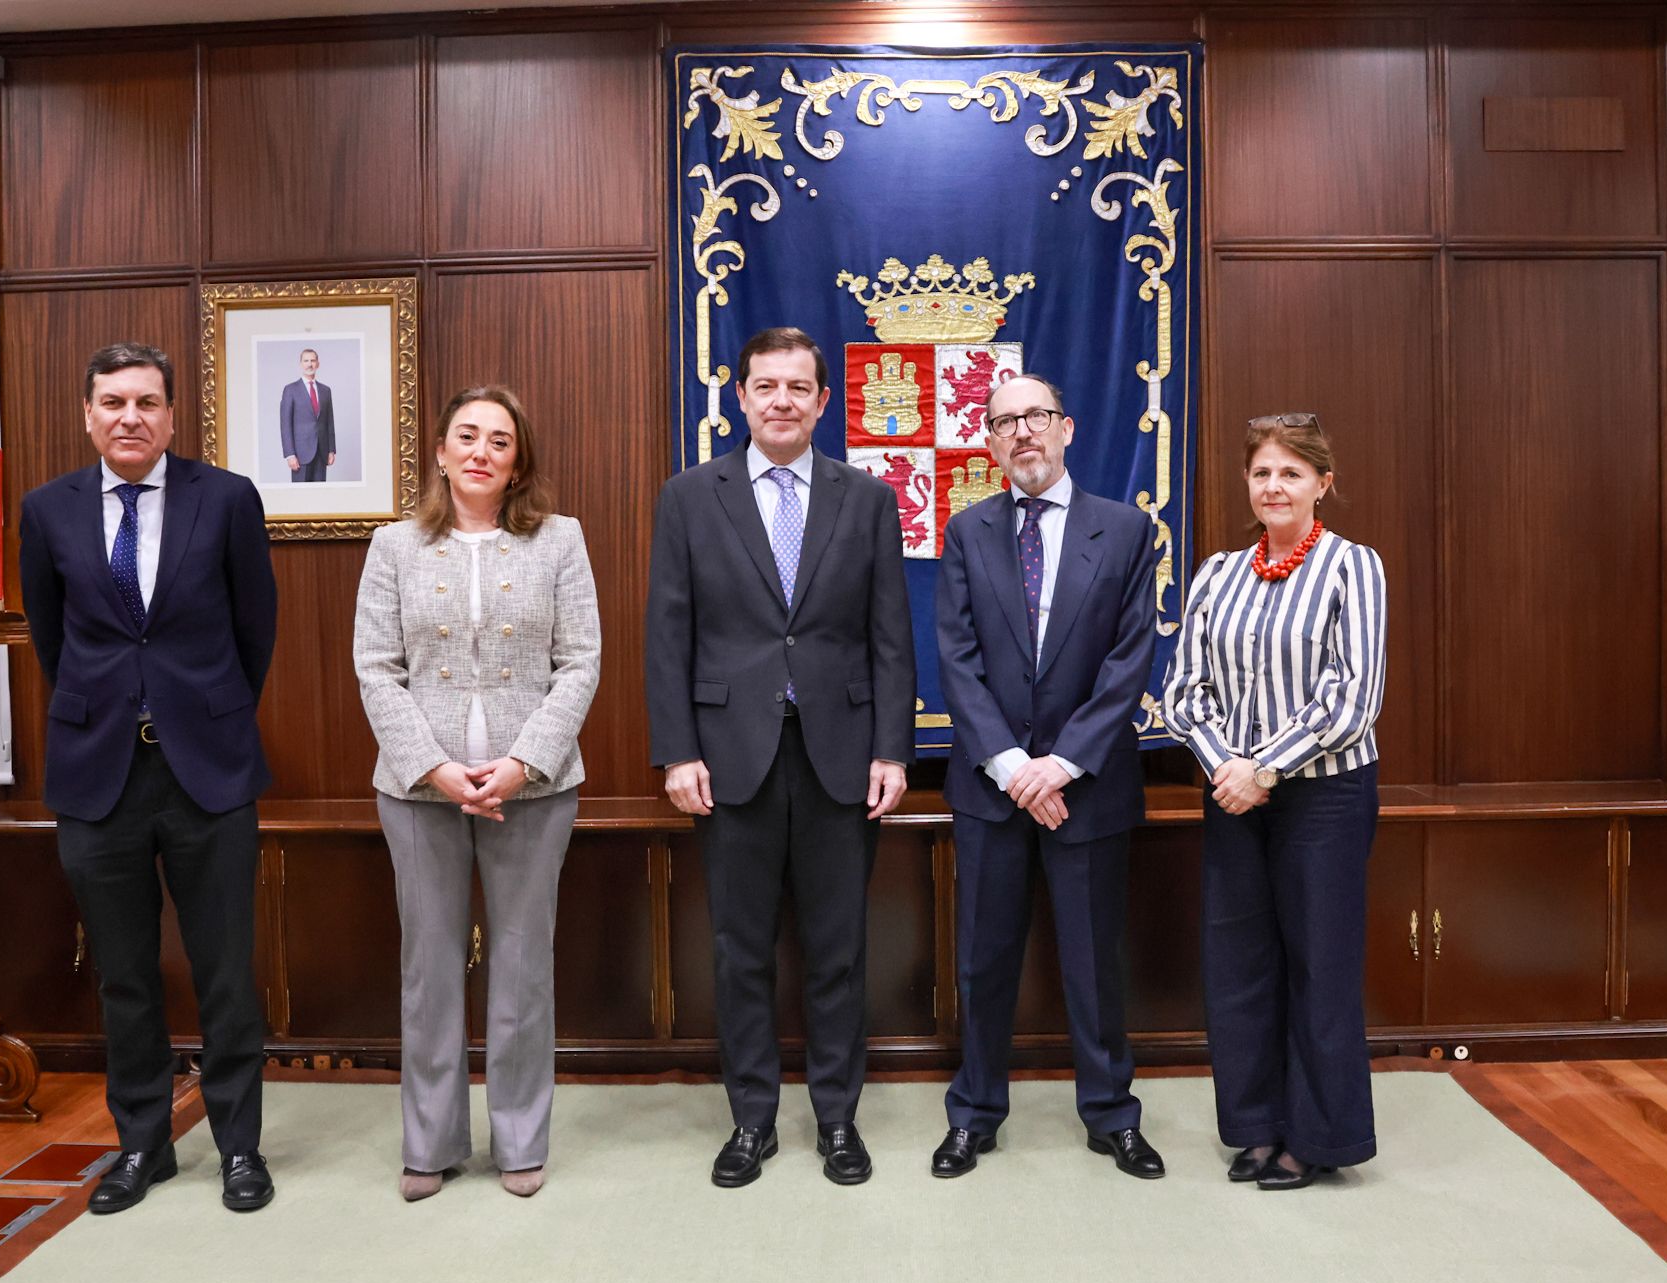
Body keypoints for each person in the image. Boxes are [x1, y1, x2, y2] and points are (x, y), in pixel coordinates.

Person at [644, 326, 914, 1187]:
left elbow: (890, 637)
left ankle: (838, 1119)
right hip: (729, 758)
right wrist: (677, 751)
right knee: (740, 947)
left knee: (838, 949)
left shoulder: (866, 498)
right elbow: (668, 634)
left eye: (799, 387)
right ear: (742, 397)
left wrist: (893, 751)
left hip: (841, 755)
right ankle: (752, 1121)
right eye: (767, 386)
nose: (783, 401)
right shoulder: (690, 496)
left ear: (824, 401)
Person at [17, 341, 279, 1214]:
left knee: (226, 971)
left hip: (207, 770)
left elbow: (256, 633)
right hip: (99, 778)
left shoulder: (228, 500)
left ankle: (239, 1147)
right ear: (87, 415)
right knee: (124, 974)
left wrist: (199, 711)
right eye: (113, 402)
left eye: (147, 402)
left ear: (172, 416)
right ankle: (142, 1145)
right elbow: (53, 643)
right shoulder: (47, 511)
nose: (130, 416)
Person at [353, 384, 600, 1202]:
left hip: (535, 789)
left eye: (500, 440)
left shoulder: (559, 542)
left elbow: (581, 664)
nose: (482, 452)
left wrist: (522, 762)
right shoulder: (393, 546)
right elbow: (376, 669)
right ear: (441, 451)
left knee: (523, 965)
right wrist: (434, 766)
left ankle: (521, 1138)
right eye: (468, 435)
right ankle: (430, 1144)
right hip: (417, 790)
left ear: (518, 459)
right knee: (429, 968)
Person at [931, 374, 1165, 1180]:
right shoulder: (967, 532)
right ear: (989, 443)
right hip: (991, 790)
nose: (1021, 433)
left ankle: (1110, 1114)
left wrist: (1059, 765)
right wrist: (1010, 767)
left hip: (1087, 785)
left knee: (1095, 959)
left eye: (1035, 417)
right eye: (1003, 423)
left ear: (1066, 428)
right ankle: (974, 1114)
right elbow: (955, 661)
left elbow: (1131, 660)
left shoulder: (1126, 531)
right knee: (982, 960)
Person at [1161, 412, 1386, 1190]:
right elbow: (1183, 692)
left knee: (1318, 964)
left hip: (1323, 795)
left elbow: (1351, 697)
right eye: (1262, 473)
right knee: (1239, 966)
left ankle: (1316, 1138)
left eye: (1291, 472)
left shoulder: (1354, 568)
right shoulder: (1217, 575)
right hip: (1232, 797)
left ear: (1323, 484)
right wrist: (1230, 768)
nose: (1274, 486)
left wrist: (1265, 768)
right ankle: (1254, 1128)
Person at [280, 347, 336, 482]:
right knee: (300, 496)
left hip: (322, 453)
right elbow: (285, 424)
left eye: (313, 360)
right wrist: (290, 454)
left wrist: (331, 450)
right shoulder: (290, 390)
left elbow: (329, 422)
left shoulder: (325, 390)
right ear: (301, 364)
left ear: (318, 363)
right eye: (306, 361)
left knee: (320, 495)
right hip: (300, 455)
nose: (309, 364)